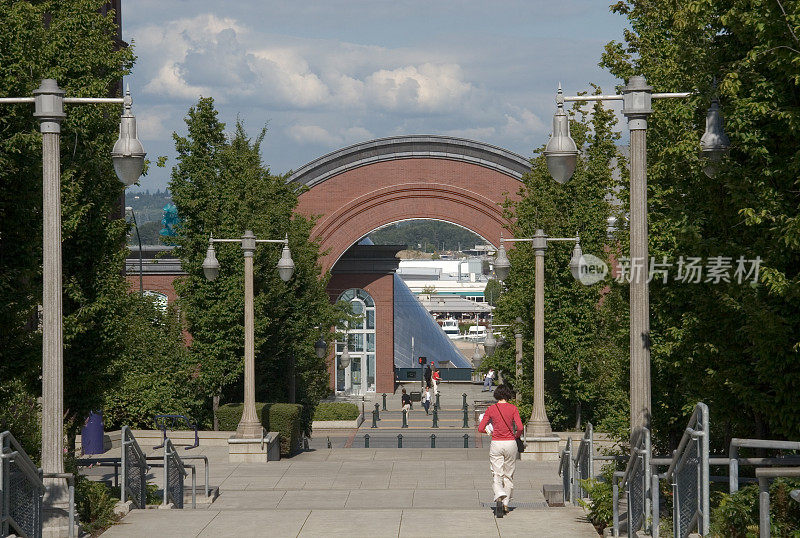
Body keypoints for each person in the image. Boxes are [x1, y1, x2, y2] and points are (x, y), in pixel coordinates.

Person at [477, 384, 523, 518]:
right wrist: (516, 436)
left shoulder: (491, 409)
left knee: (497, 472)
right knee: (509, 474)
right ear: (508, 395)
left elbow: (480, 428)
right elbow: (519, 427)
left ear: (496, 394)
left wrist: (489, 431)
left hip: (496, 443)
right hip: (510, 443)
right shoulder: (513, 408)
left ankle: (499, 493)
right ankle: (506, 502)